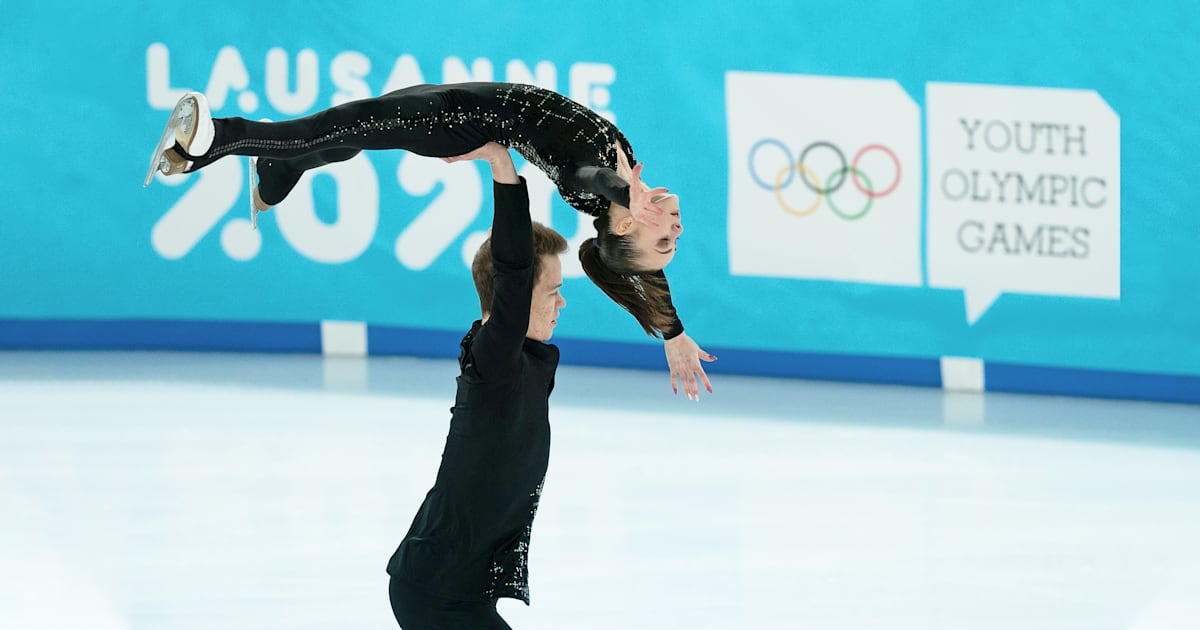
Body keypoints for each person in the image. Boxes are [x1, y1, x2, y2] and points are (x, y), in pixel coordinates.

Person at [145, 82, 715, 398]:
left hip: (460, 121)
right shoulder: (613, 204)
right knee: (348, 134)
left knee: (344, 126)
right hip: (471, 101)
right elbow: (635, 262)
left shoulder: (594, 182)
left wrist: (621, 189)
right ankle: (278, 176)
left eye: (664, 240)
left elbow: (592, 181)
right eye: (674, 238)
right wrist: (673, 330)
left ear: (625, 223)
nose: (676, 230)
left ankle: (209, 144)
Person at [385, 142, 563, 629]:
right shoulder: (493, 360)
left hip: (458, 589)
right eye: (553, 291)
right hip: (438, 591)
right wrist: (503, 167)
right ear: (517, 295)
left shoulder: (523, 361)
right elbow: (513, 272)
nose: (561, 304)